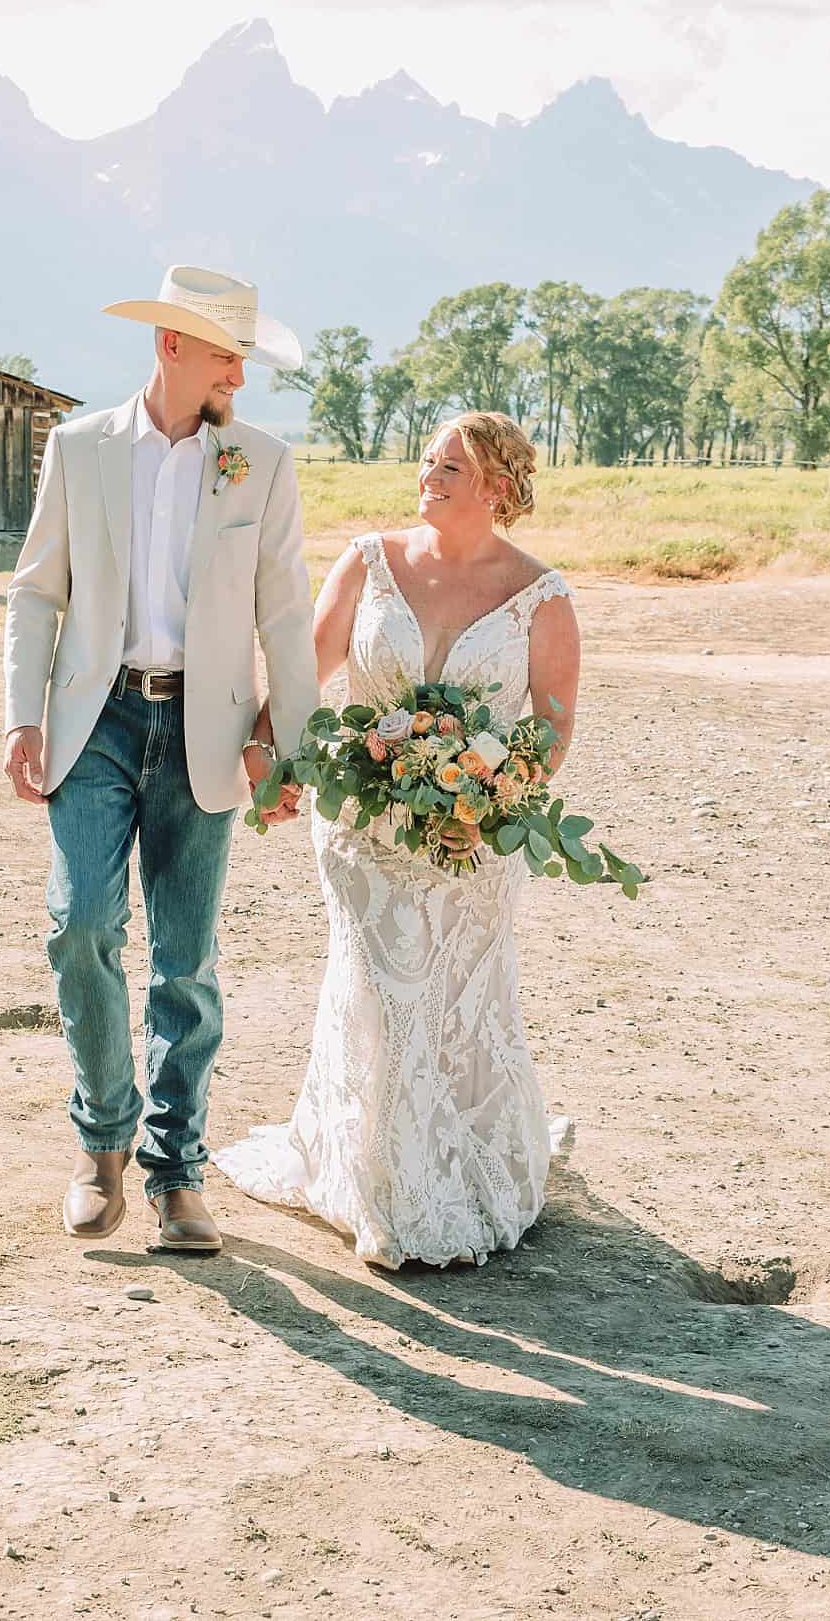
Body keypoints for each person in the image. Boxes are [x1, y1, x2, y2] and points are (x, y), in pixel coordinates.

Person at [215, 411, 582, 1269]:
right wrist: (271, 762)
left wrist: (494, 791)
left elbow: (552, 730)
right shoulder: (369, 560)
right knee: (380, 989)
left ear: (498, 484)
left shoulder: (541, 595)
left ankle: (468, 1159)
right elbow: (306, 672)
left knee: (461, 993)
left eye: (451, 465)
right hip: (362, 828)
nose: (430, 474)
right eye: (427, 459)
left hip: (474, 840)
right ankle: (386, 1181)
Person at [3, 265, 318, 1253]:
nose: (242, 372)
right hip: (92, 723)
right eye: (229, 351)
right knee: (80, 927)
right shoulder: (79, 448)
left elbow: (283, 608)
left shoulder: (259, 463)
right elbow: (37, 592)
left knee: (185, 961)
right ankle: (100, 1147)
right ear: (171, 346)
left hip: (208, 732)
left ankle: (177, 1174)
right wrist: (22, 714)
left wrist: (289, 742)